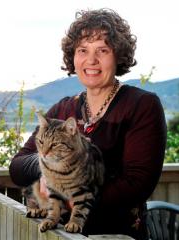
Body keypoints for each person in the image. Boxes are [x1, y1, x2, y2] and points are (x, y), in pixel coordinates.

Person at [9, 8, 167, 239]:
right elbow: (18, 167)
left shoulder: (142, 105)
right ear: (73, 57)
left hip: (116, 234)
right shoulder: (62, 110)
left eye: (102, 50)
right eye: (83, 50)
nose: (91, 60)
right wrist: (47, 176)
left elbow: (138, 184)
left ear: (118, 56)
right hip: (60, 235)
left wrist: (75, 199)